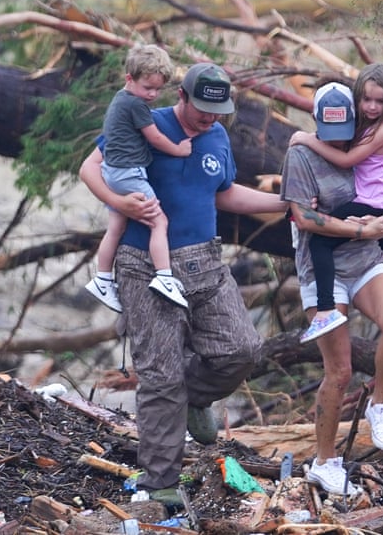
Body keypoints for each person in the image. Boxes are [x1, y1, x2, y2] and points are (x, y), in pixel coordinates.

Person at [79, 62, 287, 503]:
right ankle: (161, 485)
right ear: (182, 95)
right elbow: (89, 169)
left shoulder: (217, 135)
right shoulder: (144, 120)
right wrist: (121, 203)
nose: (209, 118)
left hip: (205, 262)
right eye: (202, 109)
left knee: (242, 349)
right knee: (159, 376)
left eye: (218, 111)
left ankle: (192, 397)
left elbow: (223, 192)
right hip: (143, 264)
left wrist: (281, 201)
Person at [281, 81, 383, 497]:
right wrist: (359, 227)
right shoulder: (301, 154)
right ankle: (324, 462)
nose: (337, 139)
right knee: (339, 370)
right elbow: (302, 217)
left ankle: (380, 406)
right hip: (323, 269)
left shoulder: (366, 137)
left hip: (365, 258)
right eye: (328, 132)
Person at [288, 66, 383, 343]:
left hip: (377, 207)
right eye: (366, 99)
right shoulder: (367, 130)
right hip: (381, 206)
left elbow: (346, 162)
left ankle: (325, 309)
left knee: (320, 242)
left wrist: (306, 138)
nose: (371, 106)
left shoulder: (380, 131)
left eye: (379, 102)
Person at [85, 43, 192, 312]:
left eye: (158, 89)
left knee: (116, 226)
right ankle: (164, 276)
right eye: (148, 88)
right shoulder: (136, 105)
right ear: (129, 79)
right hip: (127, 172)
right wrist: (179, 149)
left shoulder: (122, 99)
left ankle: (102, 277)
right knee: (159, 221)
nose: (153, 95)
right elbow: (154, 137)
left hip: (112, 171)